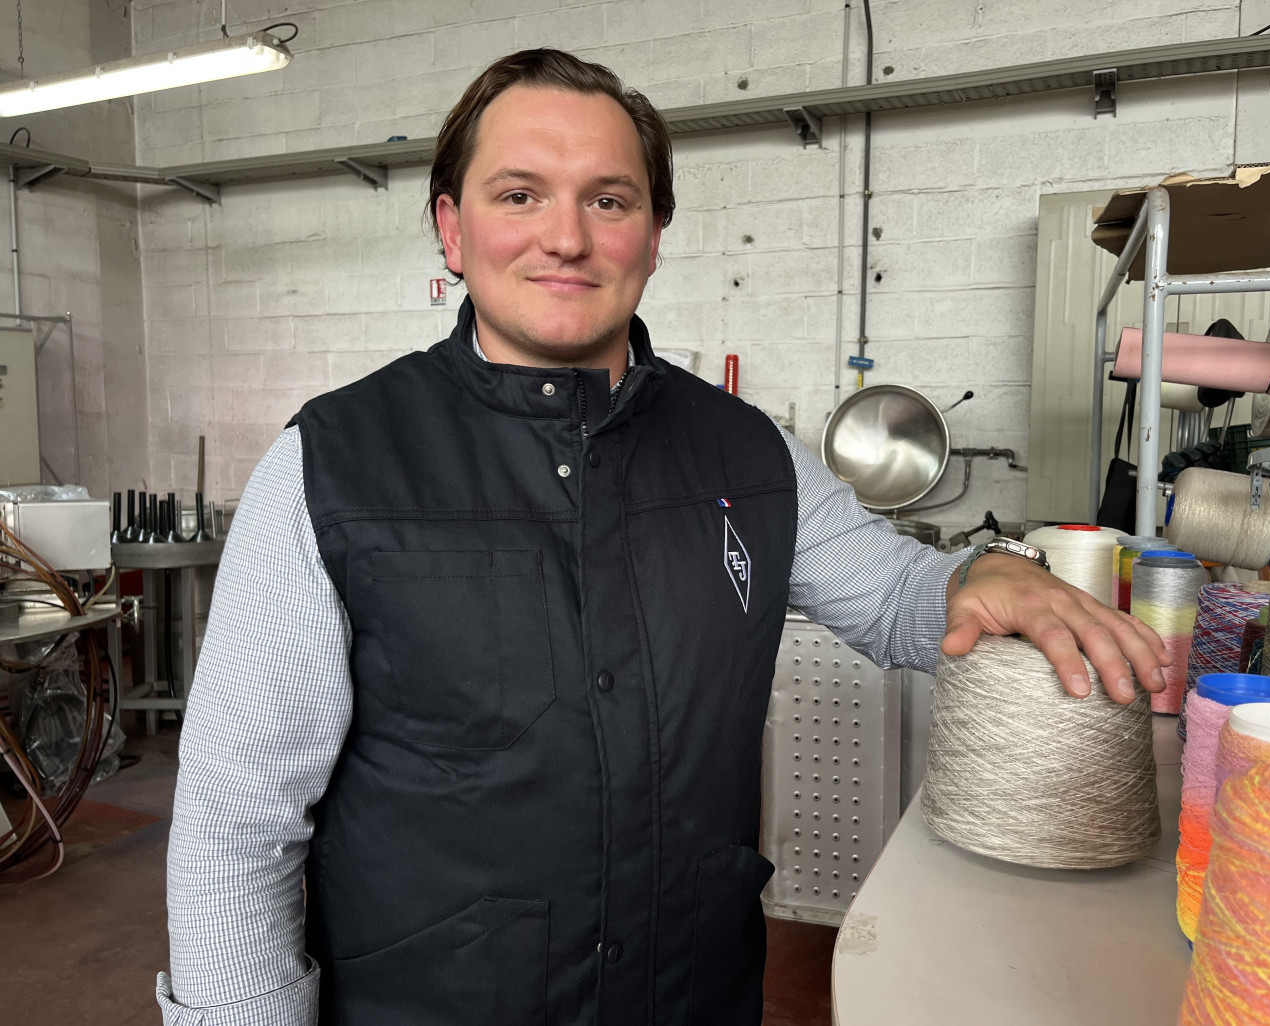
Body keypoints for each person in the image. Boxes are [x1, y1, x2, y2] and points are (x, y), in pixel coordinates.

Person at [157, 49, 1168, 1026]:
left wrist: (982, 576)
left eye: (609, 199)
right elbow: (236, 817)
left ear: (652, 234)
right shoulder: (335, 463)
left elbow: (896, 596)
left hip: (687, 992)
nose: (566, 237)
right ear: (451, 231)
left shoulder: (746, 453)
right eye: (518, 195)